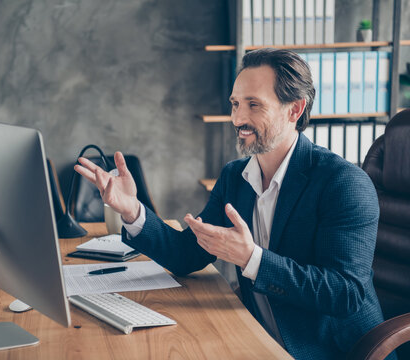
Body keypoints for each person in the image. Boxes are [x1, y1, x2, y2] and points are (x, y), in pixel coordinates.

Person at [74, 48, 387, 360]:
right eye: (236, 104)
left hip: (328, 352)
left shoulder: (343, 183)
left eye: (254, 105)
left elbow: (345, 293)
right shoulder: (235, 177)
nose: (238, 118)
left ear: (294, 109)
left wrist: (253, 259)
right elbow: (187, 255)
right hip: (259, 341)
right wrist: (131, 209)